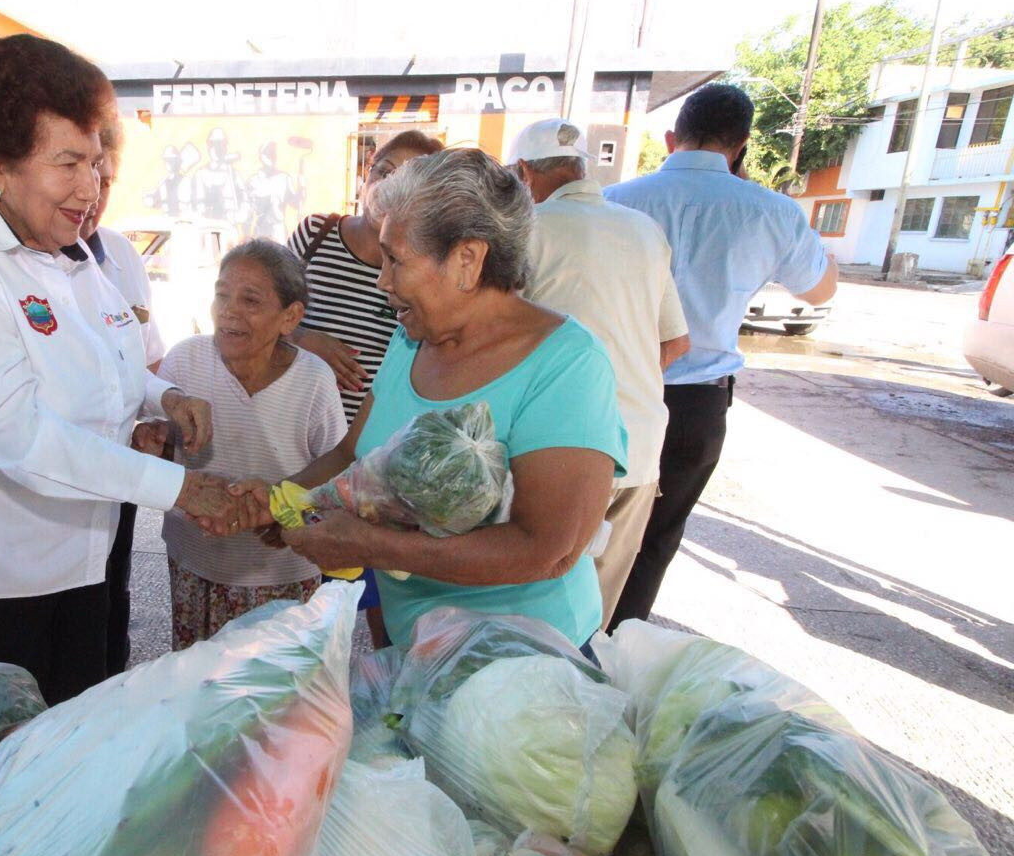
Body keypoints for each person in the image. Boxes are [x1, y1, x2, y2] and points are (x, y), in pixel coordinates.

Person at [0, 35, 234, 704]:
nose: (90, 188)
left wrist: (161, 396)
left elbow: (106, 352)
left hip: (81, 558)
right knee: (4, 768)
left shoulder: (63, 244)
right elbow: (4, 432)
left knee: (76, 737)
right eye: (68, 163)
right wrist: (180, 489)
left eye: (95, 162)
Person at [233, 148, 628, 648]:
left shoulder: (566, 365)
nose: (383, 282)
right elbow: (351, 455)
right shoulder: (410, 340)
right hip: (417, 646)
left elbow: (548, 550)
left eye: (396, 260)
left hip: (523, 663)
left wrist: (377, 547)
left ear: (467, 259)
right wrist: (279, 500)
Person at [604, 83, 838, 627]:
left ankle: (565, 644)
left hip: (614, 390)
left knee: (590, 525)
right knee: (655, 538)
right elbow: (820, 291)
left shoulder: (616, 201)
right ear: (740, 145)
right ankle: (619, 649)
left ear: (670, 137)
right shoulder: (772, 211)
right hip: (698, 403)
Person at [510, 118, 690, 630]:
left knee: (533, 612)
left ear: (525, 173)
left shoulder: (526, 231)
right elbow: (676, 340)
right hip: (637, 447)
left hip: (556, 455)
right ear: (583, 167)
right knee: (593, 619)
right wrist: (615, 387)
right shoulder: (644, 230)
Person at [286, 129, 443, 644]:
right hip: (308, 439)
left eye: (409, 176)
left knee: (383, 603)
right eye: (383, 168)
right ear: (366, 173)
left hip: (380, 458)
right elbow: (266, 309)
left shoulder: (426, 273)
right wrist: (307, 338)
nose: (388, 185)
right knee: (306, 600)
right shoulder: (316, 235)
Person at [160, 239, 346, 649]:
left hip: (280, 575)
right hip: (196, 565)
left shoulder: (313, 380)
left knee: (274, 699)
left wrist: (284, 517)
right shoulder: (184, 362)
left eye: (250, 300)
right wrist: (149, 440)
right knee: (197, 687)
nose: (229, 310)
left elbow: (337, 473)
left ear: (290, 316)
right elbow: (157, 449)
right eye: (222, 294)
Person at [80, 116, 166, 676]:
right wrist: (183, 489)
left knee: (113, 588)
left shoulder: (120, 253)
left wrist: (162, 408)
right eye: (78, 170)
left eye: (104, 178)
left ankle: (113, 679)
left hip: (122, 463)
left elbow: (146, 355)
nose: (92, 192)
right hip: (59, 482)